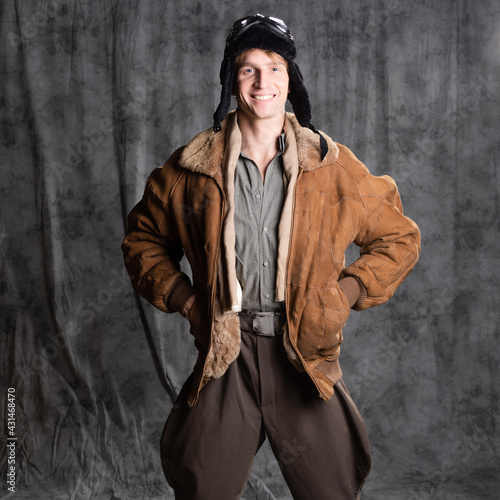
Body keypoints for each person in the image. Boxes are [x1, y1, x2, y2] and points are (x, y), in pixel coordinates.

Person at [121, 13, 421, 500]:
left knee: (333, 488)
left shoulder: (331, 166)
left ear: (291, 79)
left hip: (302, 354)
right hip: (227, 354)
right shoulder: (192, 170)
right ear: (231, 80)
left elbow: (399, 238)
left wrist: (340, 296)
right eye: (248, 68)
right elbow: (142, 241)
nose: (263, 82)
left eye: (275, 67)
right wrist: (189, 301)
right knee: (202, 486)